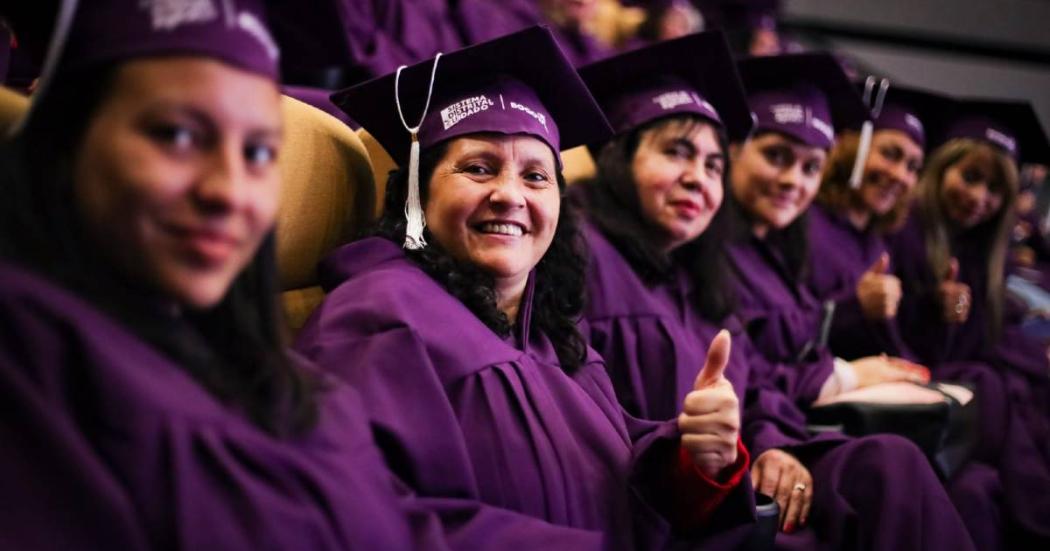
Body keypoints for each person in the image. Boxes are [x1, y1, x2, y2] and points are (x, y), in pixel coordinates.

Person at [0, 1, 447, 549]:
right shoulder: (31, 384)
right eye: (178, 136)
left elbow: (399, 523)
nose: (230, 191)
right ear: (63, 148)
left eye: (259, 151)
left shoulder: (288, 382)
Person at [295, 27, 757, 549]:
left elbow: (619, 475)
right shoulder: (378, 317)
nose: (510, 195)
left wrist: (694, 457)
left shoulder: (554, 336)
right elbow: (356, 512)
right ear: (418, 194)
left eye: (536, 177)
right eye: (478, 168)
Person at [573, 32, 976, 550]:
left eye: (713, 164)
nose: (698, 178)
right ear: (618, 156)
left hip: (738, 476)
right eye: (677, 152)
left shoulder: (691, 272)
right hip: (668, 506)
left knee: (889, 466)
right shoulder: (580, 257)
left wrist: (771, 446)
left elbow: (751, 382)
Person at [886, 99, 1050, 547]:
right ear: (941, 168)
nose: (980, 198)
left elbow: (989, 336)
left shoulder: (982, 252)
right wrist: (935, 312)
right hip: (915, 397)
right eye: (970, 177)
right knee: (1000, 388)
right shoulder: (901, 231)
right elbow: (902, 349)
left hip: (964, 413)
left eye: (996, 188)